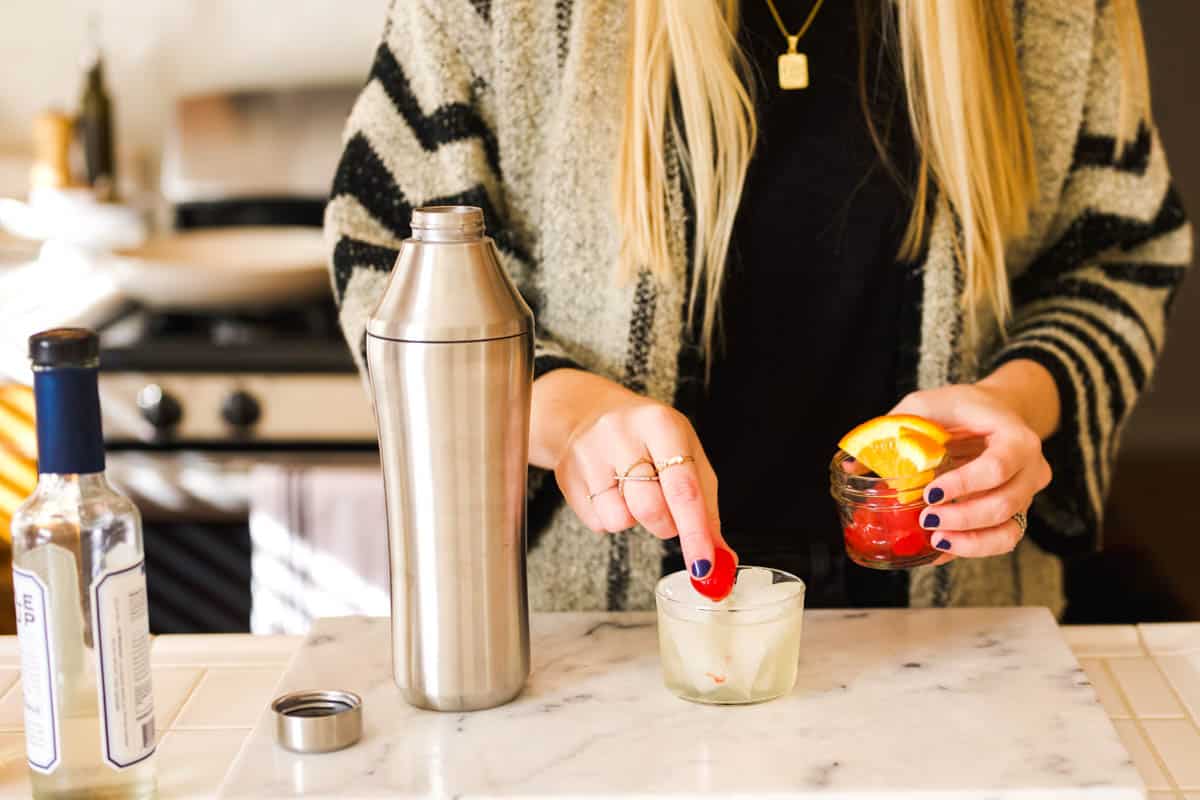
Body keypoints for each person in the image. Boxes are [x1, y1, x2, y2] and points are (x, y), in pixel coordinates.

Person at [327, 0, 1190, 616]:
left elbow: (1119, 254)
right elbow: (386, 248)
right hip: (593, 663)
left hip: (957, 648)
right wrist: (566, 412)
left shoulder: (1049, 14)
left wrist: (1016, 406)